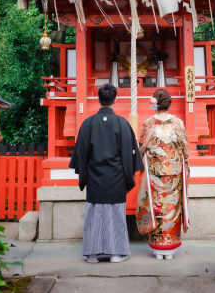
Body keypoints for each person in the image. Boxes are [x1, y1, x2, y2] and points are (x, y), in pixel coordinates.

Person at [69, 83, 143, 263]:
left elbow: (81, 154)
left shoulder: (88, 123)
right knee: (116, 215)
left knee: (94, 214)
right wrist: (128, 176)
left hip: (94, 177)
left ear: (98, 99)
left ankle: (92, 254)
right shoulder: (122, 123)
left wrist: (85, 176)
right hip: (116, 178)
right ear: (115, 100)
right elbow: (129, 153)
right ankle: (116, 253)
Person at [136, 88, 190, 260]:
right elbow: (186, 150)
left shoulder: (149, 124)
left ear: (155, 103)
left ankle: (158, 248)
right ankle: (170, 246)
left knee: (157, 209)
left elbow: (141, 148)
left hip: (155, 176)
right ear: (168, 103)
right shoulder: (178, 123)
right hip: (174, 176)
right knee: (172, 210)